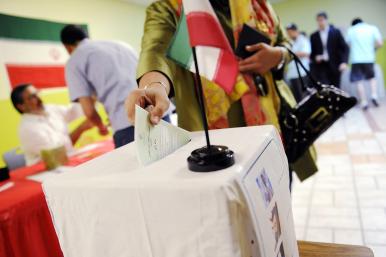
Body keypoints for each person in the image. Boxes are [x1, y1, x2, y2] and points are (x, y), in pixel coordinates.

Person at [125, 0, 318, 184]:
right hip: (220, 136)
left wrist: (279, 56)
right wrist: (154, 85)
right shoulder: (170, 8)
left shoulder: (258, 4)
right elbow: (155, 49)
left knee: (280, 194)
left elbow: (284, 41)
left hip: (274, 121)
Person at [61, 25, 140, 148]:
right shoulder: (122, 45)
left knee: (139, 166)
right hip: (158, 112)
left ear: (67, 47)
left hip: (128, 124)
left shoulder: (74, 61)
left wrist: (101, 127)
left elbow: (89, 112)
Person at [11, 84, 93, 165]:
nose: (39, 98)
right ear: (21, 106)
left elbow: (74, 111)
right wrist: (81, 128)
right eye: (33, 97)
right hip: (48, 170)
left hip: (67, 160)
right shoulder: (27, 129)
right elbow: (58, 152)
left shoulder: (49, 109)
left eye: (37, 93)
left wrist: (89, 97)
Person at [346, 18, 383, 110]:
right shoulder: (372, 28)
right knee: (372, 78)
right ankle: (374, 95)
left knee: (359, 81)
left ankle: (364, 102)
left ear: (353, 24)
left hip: (356, 59)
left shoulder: (351, 30)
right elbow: (380, 43)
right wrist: (373, 50)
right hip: (369, 58)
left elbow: (348, 44)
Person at [310, 12, 349, 88]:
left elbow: (345, 48)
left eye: (322, 20)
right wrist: (315, 58)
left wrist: (344, 62)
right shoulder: (313, 36)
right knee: (325, 88)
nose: (320, 22)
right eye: (318, 20)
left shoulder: (336, 32)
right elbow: (312, 54)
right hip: (321, 67)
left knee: (336, 87)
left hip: (335, 65)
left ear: (326, 20)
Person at [285, 23, 311, 102]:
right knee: (296, 97)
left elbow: (306, 53)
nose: (288, 34)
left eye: (290, 32)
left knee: (303, 96)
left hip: (301, 73)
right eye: (288, 33)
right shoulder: (289, 42)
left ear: (295, 31)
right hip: (291, 74)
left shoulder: (303, 40)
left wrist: (292, 54)